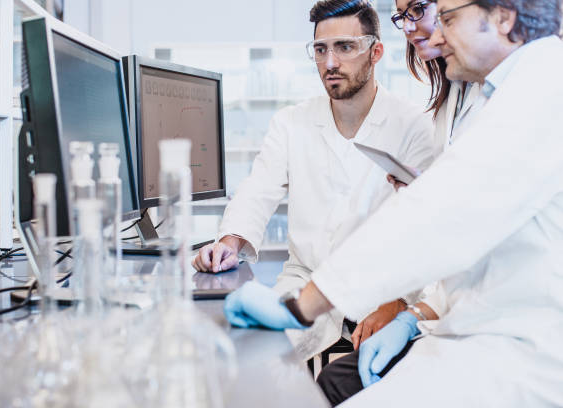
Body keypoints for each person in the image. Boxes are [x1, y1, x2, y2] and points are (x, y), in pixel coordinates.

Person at [224, 0, 563, 406]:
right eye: (320, 49)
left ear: (504, 17)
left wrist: (306, 306)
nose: (435, 35)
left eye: (448, 18)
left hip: (518, 348)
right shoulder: (500, 91)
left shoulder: (542, 88)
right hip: (463, 324)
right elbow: (455, 220)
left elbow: (438, 215)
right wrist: (415, 316)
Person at [193, 0, 435, 360]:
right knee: (247, 356)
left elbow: (430, 231)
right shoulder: (291, 122)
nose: (331, 63)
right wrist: (229, 243)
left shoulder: (415, 125)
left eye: (345, 47)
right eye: (320, 49)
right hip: (304, 282)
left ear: (376, 52)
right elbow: (257, 192)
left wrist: (400, 301)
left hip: (382, 291)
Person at [316, 0, 484, 404]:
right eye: (402, 16)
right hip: (440, 302)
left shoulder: (507, 102)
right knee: (334, 379)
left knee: (338, 383)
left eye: (421, 11)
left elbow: (472, 230)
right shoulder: (450, 94)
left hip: (480, 322)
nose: (410, 27)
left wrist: (410, 310)